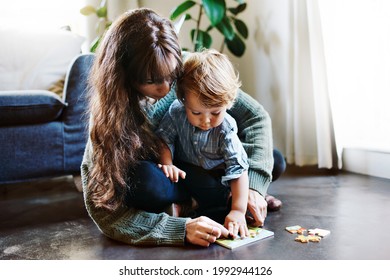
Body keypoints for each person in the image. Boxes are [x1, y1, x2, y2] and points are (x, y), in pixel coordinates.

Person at [81, 7, 285, 248]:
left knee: (273, 159)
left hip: (213, 163)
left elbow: (256, 117)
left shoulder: (190, 69)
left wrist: (253, 188)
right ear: (124, 75)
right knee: (143, 182)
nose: (166, 88)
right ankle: (202, 203)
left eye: (171, 75)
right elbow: (104, 212)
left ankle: (219, 199)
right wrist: (180, 229)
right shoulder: (110, 112)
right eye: (152, 80)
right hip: (172, 176)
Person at [156, 49, 250, 238]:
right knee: (181, 177)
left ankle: (237, 201)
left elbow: (237, 170)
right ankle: (200, 203)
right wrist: (167, 163)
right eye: (196, 113)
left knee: (273, 163)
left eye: (215, 113)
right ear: (183, 101)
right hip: (188, 173)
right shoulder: (176, 112)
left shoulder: (226, 128)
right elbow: (163, 138)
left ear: (228, 103)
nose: (206, 121)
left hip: (217, 176)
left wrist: (238, 211)